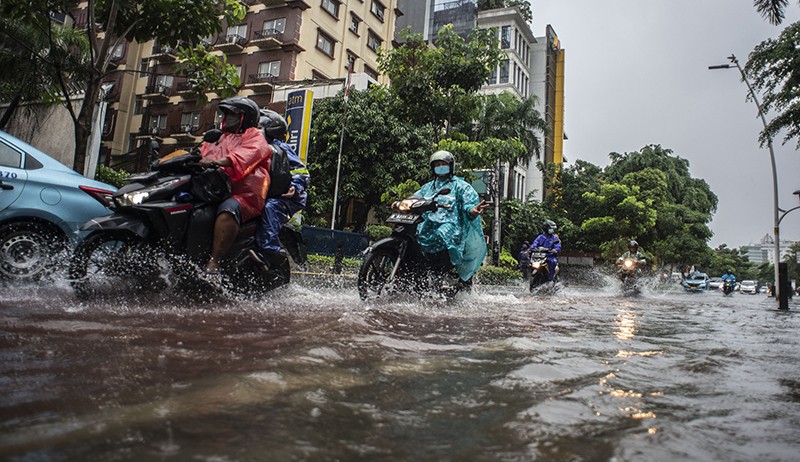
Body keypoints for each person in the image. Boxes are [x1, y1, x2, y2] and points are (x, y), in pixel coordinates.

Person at [197, 96, 271, 281]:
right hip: (212, 188)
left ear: (245, 117)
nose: (228, 117)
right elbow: (199, 154)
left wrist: (218, 162)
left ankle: (214, 263)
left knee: (227, 211)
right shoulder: (216, 137)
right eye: (227, 113)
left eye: (234, 114)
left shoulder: (255, 136)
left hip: (243, 193)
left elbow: (244, 156)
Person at [409, 150, 490, 287]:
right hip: (426, 225)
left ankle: (445, 271)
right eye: (437, 164)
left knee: (442, 234)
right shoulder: (428, 187)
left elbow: (468, 205)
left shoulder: (461, 186)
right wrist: (402, 203)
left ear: (451, 166)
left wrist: (472, 210)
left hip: (451, 227)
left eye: (443, 164)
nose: (440, 167)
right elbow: (414, 198)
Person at [250, 109, 310, 278]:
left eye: (259, 127)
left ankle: (269, 255)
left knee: (271, 208)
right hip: (262, 194)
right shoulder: (248, 145)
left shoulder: (279, 148)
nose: (255, 130)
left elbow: (301, 170)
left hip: (284, 197)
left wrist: (295, 186)